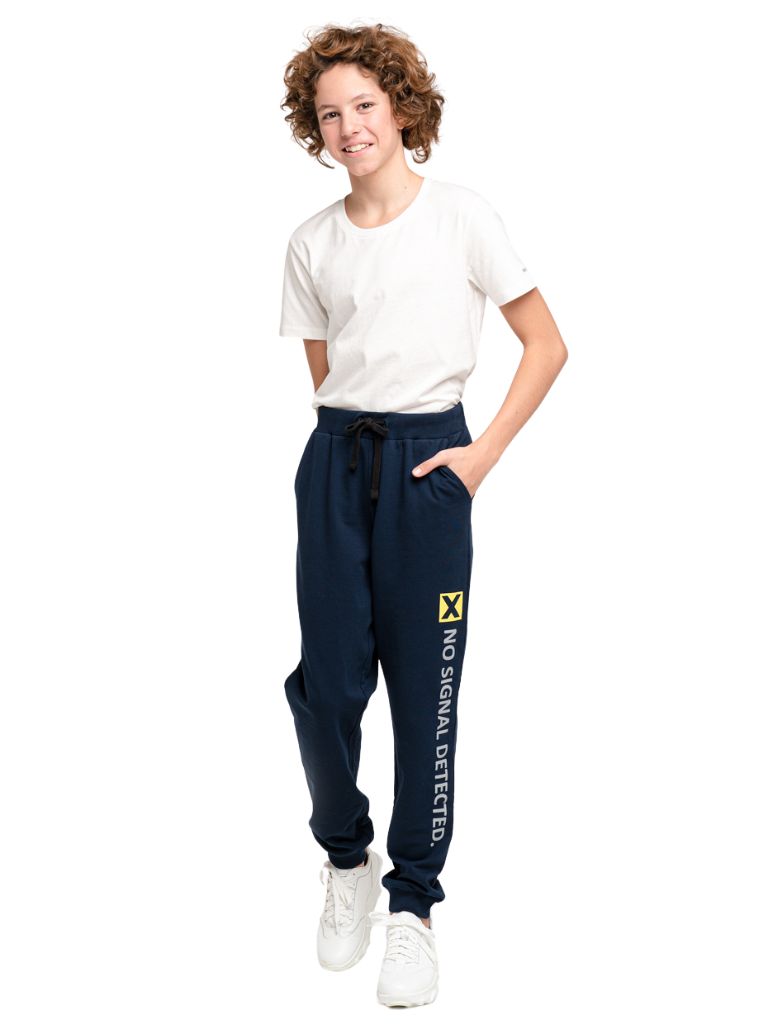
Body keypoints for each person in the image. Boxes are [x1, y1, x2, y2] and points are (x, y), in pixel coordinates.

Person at [278, 21, 567, 1008]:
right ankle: (345, 856)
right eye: (329, 113)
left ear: (401, 108)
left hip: (429, 470)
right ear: (314, 129)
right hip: (336, 463)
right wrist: (351, 448)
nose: (349, 126)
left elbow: (545, 343)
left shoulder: (462, 218)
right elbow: (328, 372)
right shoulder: (311, 242)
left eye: (364, 104)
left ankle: (413, 906)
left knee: (425, 696)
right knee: (326, 688)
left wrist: (478, 459)